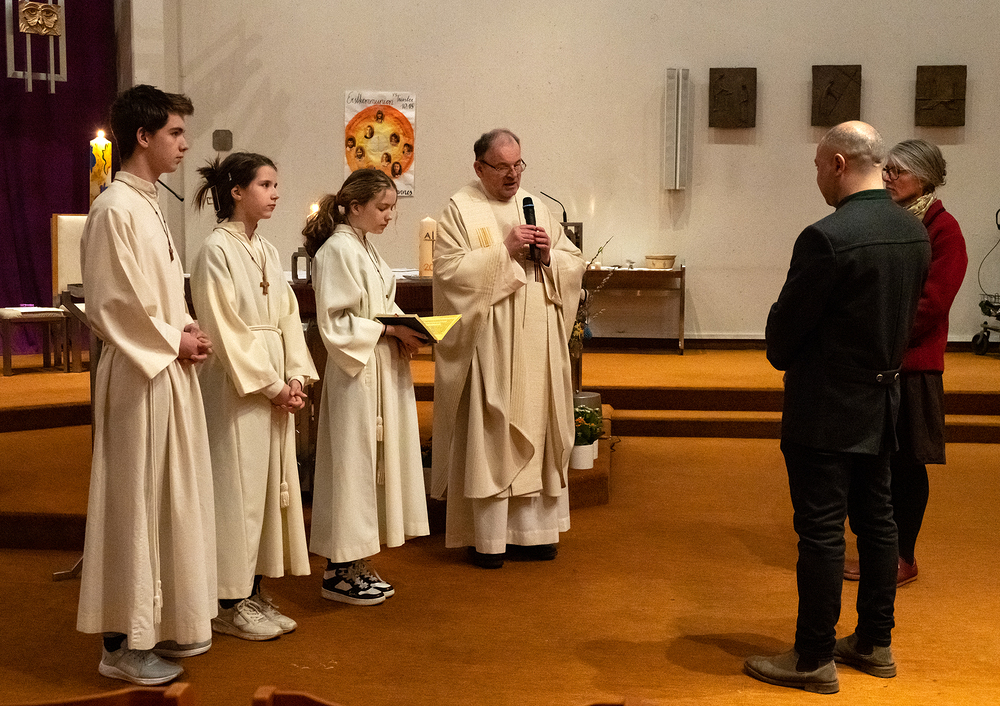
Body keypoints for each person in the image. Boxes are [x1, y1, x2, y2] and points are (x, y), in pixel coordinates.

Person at [744, 122, 930, 694]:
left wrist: (781, 335)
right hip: (883, 400)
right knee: (878, 522)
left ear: (840, 164)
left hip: (826, 406)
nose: (819, 178)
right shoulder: (913, 230)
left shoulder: (827, 237)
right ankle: (875, 642)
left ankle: (813, 657)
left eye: (820, 167)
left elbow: (783, 339)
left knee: (823, 531)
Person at [76, 85, 216, 685]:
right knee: (133, 502)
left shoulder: (150, 203)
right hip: (139, 375)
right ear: (143, 136)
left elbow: (160, 293)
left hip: (164, 369)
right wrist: (171, 338)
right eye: (175, 133)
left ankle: (156, 622)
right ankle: (120, 644)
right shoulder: (115, 208)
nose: (185, 144)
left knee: (167, 498)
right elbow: (112, 301)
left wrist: (187, 327)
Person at [430, 128, 584, 569]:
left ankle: (536, 533)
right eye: (502, 167)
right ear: (479, 168)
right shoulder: (460, 209)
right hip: (491, 343)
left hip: (538, 339)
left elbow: (572, 262)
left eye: (518, 165)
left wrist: (550, 256)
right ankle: (490, 538)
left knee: (538, 423)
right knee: (493, 434)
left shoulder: (536, 205)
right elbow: (448, 273)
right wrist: (504, 251)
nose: (513, 175)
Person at [190, 153, 319, 641]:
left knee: (268, 491)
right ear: (237, 191)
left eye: (275, 184)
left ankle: (253, 588)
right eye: (266, 184)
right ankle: (227, 600)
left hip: (272, 385)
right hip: (236, 388)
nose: (275, 193)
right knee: (237, 491)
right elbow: (224, 329)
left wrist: (295, 377)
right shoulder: (215, 250)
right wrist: (271, 386)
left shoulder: (265, 249)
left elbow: (288, 316)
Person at [844, 139, 968, 586]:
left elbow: (932, 303)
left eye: (899, 171)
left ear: (925, 178)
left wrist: (879, 330)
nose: (888, 178)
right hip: (875, 358)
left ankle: (903, 557)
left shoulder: (944, 229)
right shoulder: (886, 220)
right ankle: (878, 551)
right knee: (870, 463)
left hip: (913, 364)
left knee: (906, 467)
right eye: (887, 170)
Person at [304, 168, 430, 605]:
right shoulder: (337, 249)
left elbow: (382, 306)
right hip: (356, 376)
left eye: (393, 207)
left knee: (372, 465)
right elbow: (335, 322)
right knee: (352, 466)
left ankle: (358, 561)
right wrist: (389, 330)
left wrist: (406, 331)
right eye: (382, 207)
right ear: (354, 206)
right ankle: (338, 570)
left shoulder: (364, 247)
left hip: (379, 367)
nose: (389, 215)